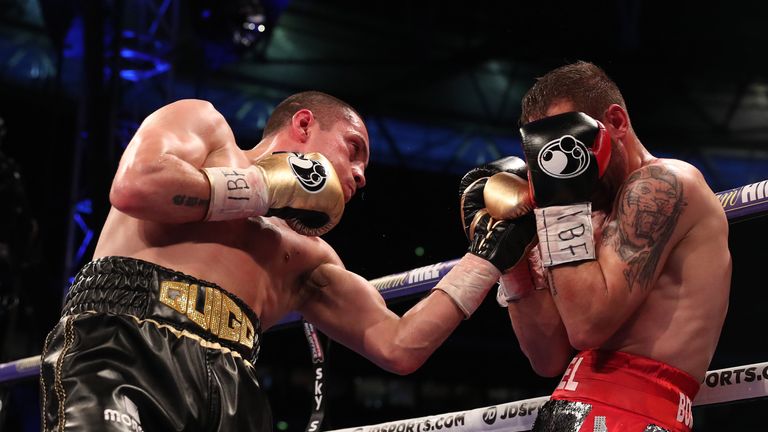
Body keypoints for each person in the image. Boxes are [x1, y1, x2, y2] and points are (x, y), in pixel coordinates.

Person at [39, 91, 524, 431]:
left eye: (363, 170)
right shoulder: (203, 127)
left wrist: (484, 259)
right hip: (125, 343)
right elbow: (136, 187)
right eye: (353, 150)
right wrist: (262, 187)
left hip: (232, 386)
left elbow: (398, 345)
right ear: (304, 124)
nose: (358, 175)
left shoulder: (305, 257)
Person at [493, 61, 731, 431]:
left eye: (567, 142)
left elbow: (588, 325)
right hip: (569, 405)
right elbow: (548, 358)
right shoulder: (585, 214)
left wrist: (558, 203)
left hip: (633, 415)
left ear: (616, 122)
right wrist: (512, 261)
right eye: (546, 153)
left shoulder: (662, 182)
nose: (558, 166)